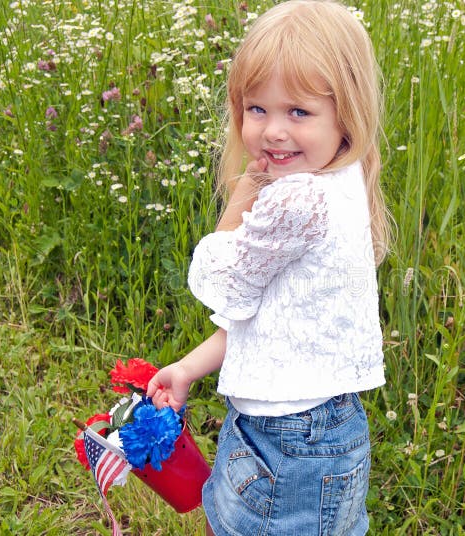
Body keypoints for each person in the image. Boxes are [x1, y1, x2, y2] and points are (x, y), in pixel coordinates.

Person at [146, 1, 389, 533]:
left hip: (288, 444)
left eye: (298, 112)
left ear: (346, 113)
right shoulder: (339, 182)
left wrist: (241, 198)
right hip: (310, 430)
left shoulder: (297, 200)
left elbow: (220, 285)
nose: (273, 131)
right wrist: (188, 367)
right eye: (257, 109)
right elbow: (269, 319)